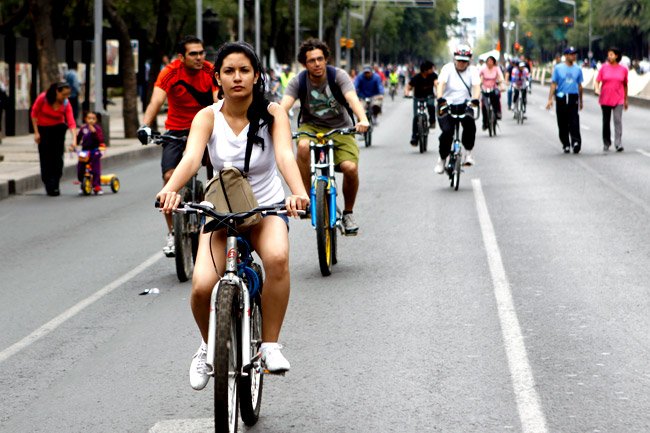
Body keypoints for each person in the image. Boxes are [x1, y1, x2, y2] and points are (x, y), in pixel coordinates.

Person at [156, 41, 309, 389]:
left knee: (277, 259)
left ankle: (269, 346)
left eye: (244, 70)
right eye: (229, 71)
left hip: (266, 208)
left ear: (256, 76)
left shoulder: (273, 113)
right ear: (218, 78)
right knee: (201, 287)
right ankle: (206, 346)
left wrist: (298, 192)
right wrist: (172, 188)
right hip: (221, 212)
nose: (237, 77)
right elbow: (191, 159)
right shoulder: (207, 116)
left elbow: (285, 156)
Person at [138, 35, 219, 257]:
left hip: (205, 128)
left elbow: (217, 99)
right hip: (176, 130)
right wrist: (145, 125)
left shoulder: (210, 71)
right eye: (193, 54)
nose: (199, 57)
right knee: (168, 178)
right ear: (181, 57)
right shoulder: (170, 72)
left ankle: (214, 216)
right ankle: (173, 232)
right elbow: (156, 100)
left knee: (216, 173)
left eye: (201, 53)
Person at [280, 38, 370, 235]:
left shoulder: (338, 76)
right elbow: (282, 107)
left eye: (320, 59)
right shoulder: (298, 81)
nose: (317, 64)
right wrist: (272, 125)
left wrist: (362, 119)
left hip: (341, 128)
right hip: (311, 127)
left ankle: (348, 213)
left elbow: (351, 98)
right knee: (302, 146)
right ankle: (305, 198)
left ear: (326, 59)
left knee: (350, 168)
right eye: (311, 60)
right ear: (305, 64)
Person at [434, 44, 481, 174]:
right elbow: (441, 84)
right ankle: (442, 160)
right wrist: (440, 98)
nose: (461, 63)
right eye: (459, 60)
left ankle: (468, 154)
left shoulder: (473, 71)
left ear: (469, 61)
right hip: (447, 104)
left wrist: (475, 99)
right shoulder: (447, 68)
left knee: (470, 124)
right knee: (447, 132)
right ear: (455, 59)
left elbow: (476, 86)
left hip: (465, 104)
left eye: (464, 61)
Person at [30, 82, 78, 196]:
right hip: (43, 129)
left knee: (58, 157)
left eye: (67, 95)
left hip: (58, 129)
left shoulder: (66, 103)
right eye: (63, 95)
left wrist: (74, 140)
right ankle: (48, 182)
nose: (65, 97)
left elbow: (71, 122)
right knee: (46, 157)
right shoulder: (43, 98)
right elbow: (34, 113)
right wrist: (36, 133)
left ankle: (55, 183)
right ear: (57, 91)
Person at [545, 46, 584, 154]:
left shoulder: (578, 69)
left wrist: (581, 100)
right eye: (571, 54)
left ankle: (576, 142)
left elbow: (580, 85)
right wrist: (550, 99)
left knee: (574, 121)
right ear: (566, 56)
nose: (573, 56)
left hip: (573, 96)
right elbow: (554, 84)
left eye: (574, 54)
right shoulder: (558, 68)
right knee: (562, 122)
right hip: (561, 97)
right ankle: (565, 143)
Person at [594, 47, 628, 152]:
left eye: (611, 55)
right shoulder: (603, 68)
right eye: (608, 55)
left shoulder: (623, 70)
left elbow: (625, 85)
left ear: (616, 56)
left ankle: (618, 143)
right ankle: (606, 142)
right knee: (606, 121)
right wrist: (597, 89)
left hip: (619, 98)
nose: (609, 57)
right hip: (605, 98)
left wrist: (626, 99)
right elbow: (597, 81)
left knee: (617, 120)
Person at [405, 60, 438, 146]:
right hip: (417, 98)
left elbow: (436, 84)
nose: (433, 70)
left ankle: (432, 121)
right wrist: (407, 93)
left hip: (429, 97)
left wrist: (438, 92)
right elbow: (408, 86)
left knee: (431, 106)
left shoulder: (433, 75)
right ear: (425, 70)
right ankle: (414, 137)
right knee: (416, 117)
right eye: (431, 68)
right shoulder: (416, 77)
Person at [75, 111, 106, 195]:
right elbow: (78, 138)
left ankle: (96, 186)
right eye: (89, 118)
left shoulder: (97, 129)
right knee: (80, 167)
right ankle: (83, 183)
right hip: (85, 151)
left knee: (95, 169)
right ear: (85, 119)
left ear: (96, 120)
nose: (91, 120)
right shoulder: (83, 128)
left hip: (94, 150)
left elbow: (100, 140)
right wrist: (74, 144)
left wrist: (94, 133)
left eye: (93, 118)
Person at [479, 55, 504, 130]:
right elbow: (478, 77)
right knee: (484, 105)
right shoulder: (483, 69)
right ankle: (485, 123)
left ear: (494, 62)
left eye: (491, 61)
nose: (490, 63)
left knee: (497, 97)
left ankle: (497, 112)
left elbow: (500, 77)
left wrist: (501, 84)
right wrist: (478, 85)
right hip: (485, 89)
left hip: (494, 88)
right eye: (488, 61)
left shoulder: (496, 69)